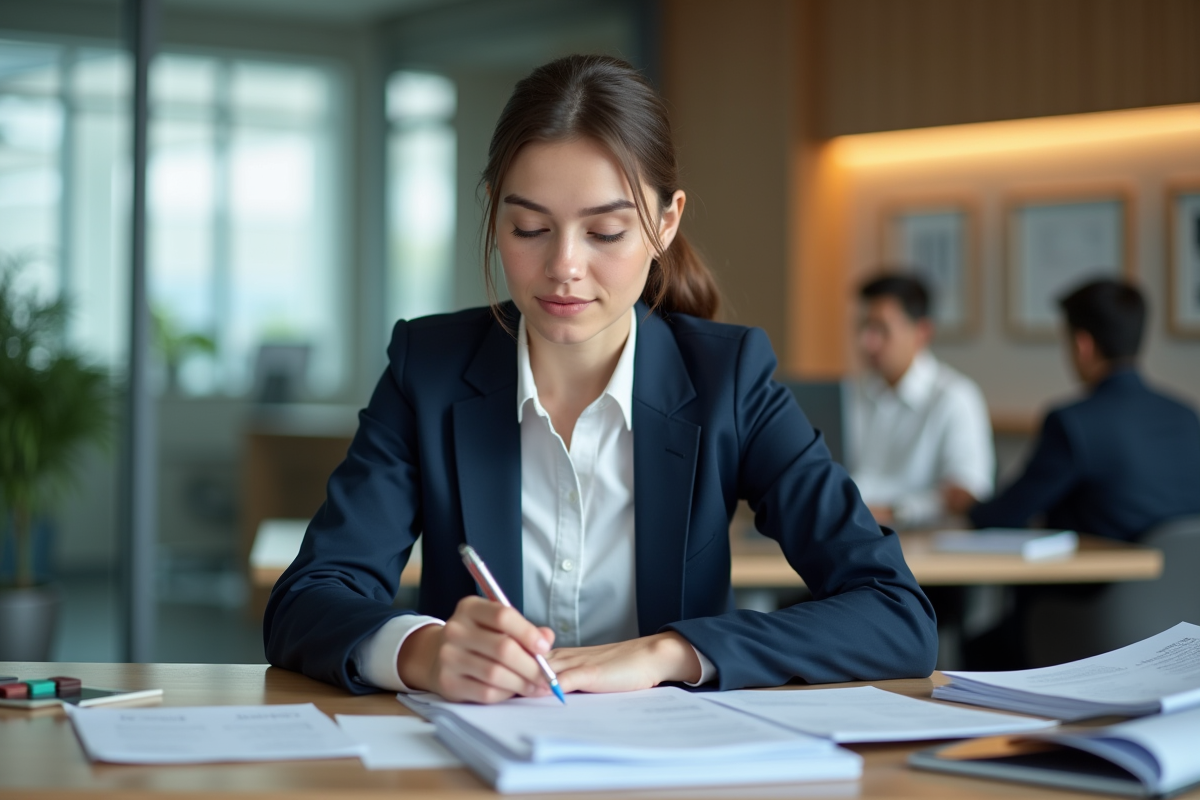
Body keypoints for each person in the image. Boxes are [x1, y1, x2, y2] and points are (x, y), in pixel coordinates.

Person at [264, 54, 937, 703]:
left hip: (674, 767)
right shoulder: (429, 370)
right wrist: (423, 652)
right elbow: (308, 599)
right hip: (475, 763)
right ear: (496, 217)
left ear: (665, 223)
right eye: (530, 227)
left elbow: (896, 614)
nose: (564, 266)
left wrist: (666, 652)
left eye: (606, 232)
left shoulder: (728, 379)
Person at [970, 279, 1200, 541]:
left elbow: (1007, 516)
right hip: (1187, 580)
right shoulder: (1187, 417)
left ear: (1083, 345)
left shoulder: (1073, 423)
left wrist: (969, 508)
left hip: (1101, 580)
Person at [846, 274, 995, 528]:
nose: (867, 342)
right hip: (846, 539)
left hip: (923, 547)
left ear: (922, 332)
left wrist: (895, 512)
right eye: (864, 327)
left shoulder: (955, 397)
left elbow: (966, 493)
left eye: (881, 329)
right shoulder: (852, 392)